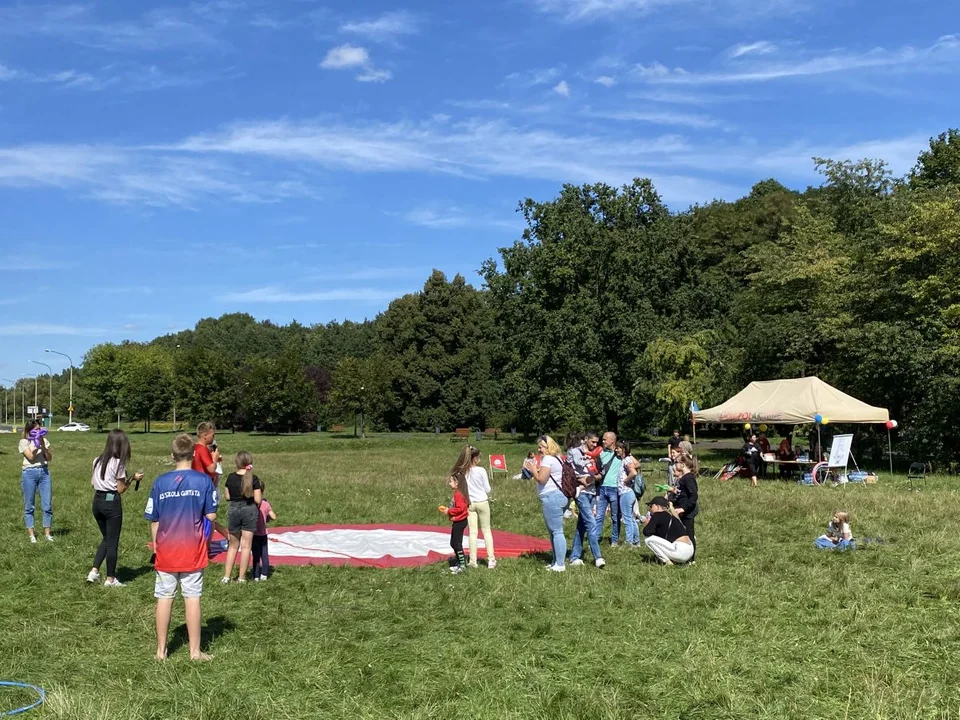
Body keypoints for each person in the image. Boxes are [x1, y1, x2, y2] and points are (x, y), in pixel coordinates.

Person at [145, 433, 218, 661]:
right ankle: (195, 652)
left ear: (172, 455)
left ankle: (161, 651)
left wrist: (157, 547)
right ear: (194, 453)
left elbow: (154, 520)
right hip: (193, 549)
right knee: (192, 597)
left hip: (166, 549)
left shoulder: (160, 482)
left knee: (164, 597)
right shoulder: (203, 481)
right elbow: (211, 514)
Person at [87, 429, 144, 586]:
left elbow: (93, 483)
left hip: (97, 501)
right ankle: (110, 579)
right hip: (111, 502)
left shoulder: (97, 460)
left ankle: (94, 571)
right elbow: (120, 489)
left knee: (106, 538)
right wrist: (132, 478)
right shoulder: (118, 463)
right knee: (112, 542)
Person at [522, 435, 568, 572]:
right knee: (553, 531)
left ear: (548, 447)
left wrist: (532, 469)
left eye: (541, 447)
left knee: (557, 531)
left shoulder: (548, 459)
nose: (539, 449)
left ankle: (560, 564)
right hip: (559, 496)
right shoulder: (558, 458)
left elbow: (541, 479)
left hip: (552, 497)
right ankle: (555, 561)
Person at [221, 451, 263, 584]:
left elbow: (227, 497)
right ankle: (242, 578)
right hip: (249, 510)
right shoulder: (253, 479)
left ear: (236, 462)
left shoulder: (231, 478)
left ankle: (226, 577)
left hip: (233, 509)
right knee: (246, 546)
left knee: (233, 545)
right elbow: (257, 499)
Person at [566, 433, 604, 569]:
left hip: (592, 492)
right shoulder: (574, 452)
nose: (595, 445)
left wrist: (594, 478)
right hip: (580, 492)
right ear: (586, 440)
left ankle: (575, 556)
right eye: (593, 442)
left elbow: (599, 473)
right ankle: (598, 557)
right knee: (591, 523)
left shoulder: (597, 454)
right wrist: (580, 480)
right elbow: (573, 469)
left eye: (596, 443)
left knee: (582, 526)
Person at [457, 446, 497, 569]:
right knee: (486, 530)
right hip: (482, 502)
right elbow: (487, 489)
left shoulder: (463, 472)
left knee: (472, 532)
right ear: (475, 459)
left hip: (470, 503)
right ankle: (491, 560)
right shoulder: (481, 470)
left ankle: (473, 561)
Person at [19, 419, 53, 543]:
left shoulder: (44, 440)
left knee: (47, 504)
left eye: (39, 429)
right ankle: (32, 534)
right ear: (29, 430)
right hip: (29, 472)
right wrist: (35, 444)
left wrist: (43, 445)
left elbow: (49, 458)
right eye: (36, 429)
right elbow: (31, 457)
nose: (38, 431)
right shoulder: (24, 442)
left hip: (44, 472)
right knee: (29, 505)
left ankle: (48, 534)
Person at [193, 422, 228, 541]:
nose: (214, 438)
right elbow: (211, 469)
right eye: (213, 435)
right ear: (205, 435)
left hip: (195, 484)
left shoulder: (194, 448)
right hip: (205, 486)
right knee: (210, 515)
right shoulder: (202, 449)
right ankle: (206, 545)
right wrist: (215, 459)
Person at [641, 497, 694, 565]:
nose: (649, 509)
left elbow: (646, 532)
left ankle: (667, 562)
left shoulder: (658, 515)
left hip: (681, 551)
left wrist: (647, 523)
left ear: (658, 507)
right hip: (690, 549)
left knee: (648, 539)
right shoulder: (670, 515)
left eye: (651, 506)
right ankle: (678, 561)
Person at [593, 431, 623, 547]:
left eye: (605, 439)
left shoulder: (620, 453)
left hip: (614, 488)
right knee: (599, 515)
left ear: (612, 440)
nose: (603, 441)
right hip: (602, 487)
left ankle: (614, 540)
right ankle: (595, 539)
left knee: (615, 516)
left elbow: (634, 463)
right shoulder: (601, 453)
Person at [668, 453, 699, 560]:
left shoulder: (689, 478)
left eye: (676, 462)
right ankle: (681, 554)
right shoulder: (683, 478)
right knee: (681, 532)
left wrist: (684, 508)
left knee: (689, 534)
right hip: (681, 510)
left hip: (688, 512)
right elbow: (683, 493)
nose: (675, 464)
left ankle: (691, 558)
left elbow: (693, 495)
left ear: (682, 464)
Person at [438, 470, 470, 574]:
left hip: (460, 521)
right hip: (459, 520)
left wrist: (449, 511)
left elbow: (461, 508)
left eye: (451, 481)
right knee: (453, 543)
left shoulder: (458, 494)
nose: (449, 483)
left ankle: (462, 565)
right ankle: (459, 562)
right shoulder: (459, 493)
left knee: (457, 544)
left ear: (457, 483)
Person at [616, 440, 641, 547]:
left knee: (627, 519)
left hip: (625, 493)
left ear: (623, 450)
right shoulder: (628, 459)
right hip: (629, 493)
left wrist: (626, 480)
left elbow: (634, 472)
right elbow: (637, 465)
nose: (616, 449)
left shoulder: (626, 460)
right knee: (631, 518)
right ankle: (636, 541)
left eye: (618, 448)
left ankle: (629, 541)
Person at [252, 484, 276, 582]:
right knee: (264, 554)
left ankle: (256, 575)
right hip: (263, 534)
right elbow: (274, 517)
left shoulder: (251, 505)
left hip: (254, 534)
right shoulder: (265, 504)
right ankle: (264, 574)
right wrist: (268, 516)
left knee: (256, 555)